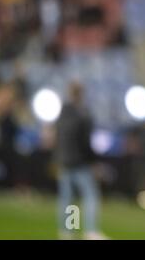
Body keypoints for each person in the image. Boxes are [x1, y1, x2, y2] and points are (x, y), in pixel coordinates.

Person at [54, 81, 107, 240]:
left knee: (66, 198)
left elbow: (58, 139)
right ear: (81, 94)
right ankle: (90, 231)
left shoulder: (62, 114)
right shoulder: (83, 115)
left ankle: (66, 231)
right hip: (80, 163)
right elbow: (85, 143)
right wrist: (94, 162)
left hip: (64, 161)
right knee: (91, 196)